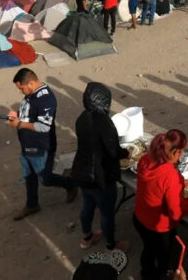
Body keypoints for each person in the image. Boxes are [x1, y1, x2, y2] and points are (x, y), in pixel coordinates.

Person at [7, 68, 77, 221]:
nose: (21, 92)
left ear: (31, 83)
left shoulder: (46, 100)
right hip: (27, 144)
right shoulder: (30, 94)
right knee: (29, 175)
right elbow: (29, 113)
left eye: (22, 88)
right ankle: (32, 205)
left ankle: (70, 184)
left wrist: (19, 124)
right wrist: (17, 115)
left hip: (40, 146)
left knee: (45, 178)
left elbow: (44, 126)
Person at [71, 82, 129, 252]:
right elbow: (113, 151)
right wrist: (125, 153)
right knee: (106, 213)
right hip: (100, 176)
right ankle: (111, 245)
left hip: (81, 172)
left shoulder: (81, 117)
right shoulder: (104, 121)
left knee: (87, 205)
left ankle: (87, 237)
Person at [134, 130, 188, 280]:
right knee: (163, 259)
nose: (181, 156)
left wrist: (180, 181)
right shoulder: (170, 176)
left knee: (148, 249)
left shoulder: (145, 159)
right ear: (175, 152)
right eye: (181, 152)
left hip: (139, 218)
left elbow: (157, 184)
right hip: (158, 227)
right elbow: (175, 213)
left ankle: (146, 274)